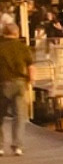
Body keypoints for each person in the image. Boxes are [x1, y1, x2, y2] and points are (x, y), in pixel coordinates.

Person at [0, 19, 33, 155]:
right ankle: (17, 146)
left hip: (3, 83)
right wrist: (31, 81)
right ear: (17, 33)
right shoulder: (23, 47)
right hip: (19, 83)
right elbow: (31, 66)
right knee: (19, 116)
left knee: (0, 115)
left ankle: (0, 146)